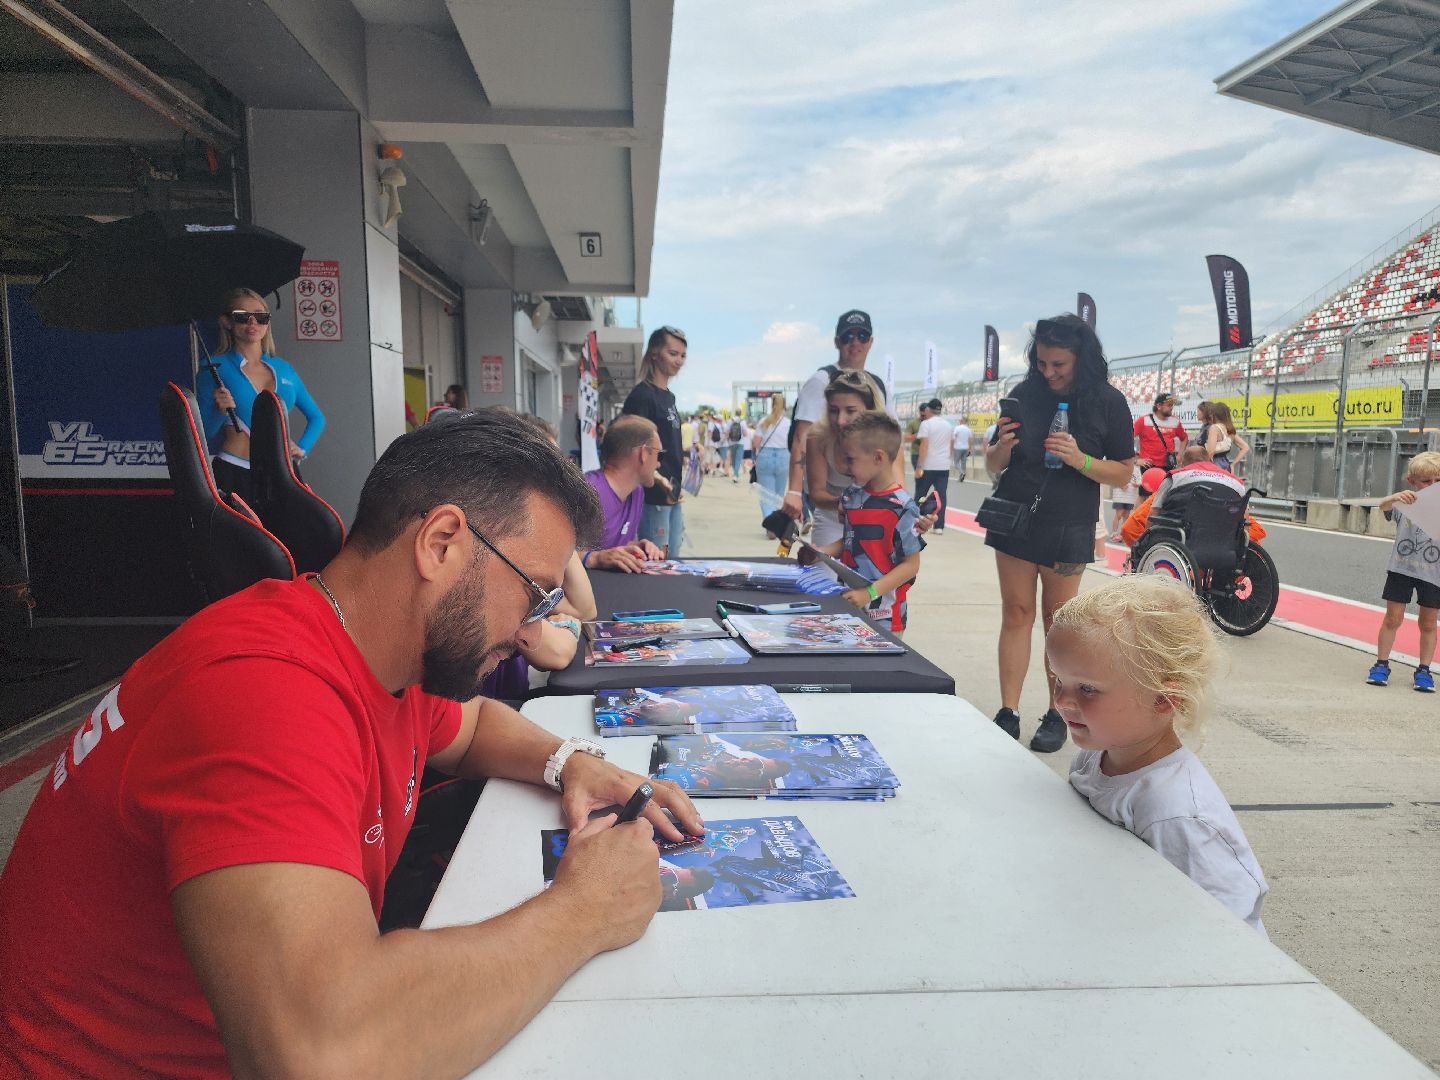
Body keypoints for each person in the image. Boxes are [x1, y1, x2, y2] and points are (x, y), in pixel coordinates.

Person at [0, 409, 705, 1078]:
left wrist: (570, 762)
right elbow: (321, 1055)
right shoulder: (265, 696)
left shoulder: (379, 652)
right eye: (533, 594)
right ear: (440, 544)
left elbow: (474, 729)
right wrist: (583, 910)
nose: (530, 631)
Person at [1050, 575, 1268, 933]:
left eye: (1087, 689)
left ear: (1164, 699)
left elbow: (1229, 925)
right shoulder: (1097, 756)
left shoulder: (1177, 814)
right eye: (1059, 680)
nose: (1061, 701)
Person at [984, 314, 1136, 754]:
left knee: (1059, 622)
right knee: (1015, 613)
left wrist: (1080, 460)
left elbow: (1124, 470)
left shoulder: (1108, 402)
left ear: (1080, 360)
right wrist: (1002, 448)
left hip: (1069, 519)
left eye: (1059, 365)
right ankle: (1008, 710)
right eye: (1042, 362)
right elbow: (995, 466)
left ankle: (1056, 711)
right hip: (1015, 513)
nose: (1048, 372)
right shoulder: (1023, 395)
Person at [199, 287, 326, 503]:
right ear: (226, 322)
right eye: (242, 316)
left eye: (260, 316)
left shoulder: (284, 369)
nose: (252, 323)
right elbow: (203, 434)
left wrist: (302, 448)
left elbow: (317, 417)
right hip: (234, 469)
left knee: (288, 535)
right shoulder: (213, 367)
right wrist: (220, 412)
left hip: (283, 471)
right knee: (241, 537)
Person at [805, 411, 925, 637]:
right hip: (849, 608)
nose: (844, 467)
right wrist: (820, 553)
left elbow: (911, 565)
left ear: (878, 458)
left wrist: (870, 593)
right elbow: (851, 541)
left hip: (886, 617)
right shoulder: (852, 496)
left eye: (851, 459)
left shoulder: (903, 507)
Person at [782, 309, 900, 521]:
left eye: (862, 336)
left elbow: (894, 445)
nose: (855, 343)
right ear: (837, 342)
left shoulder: (879, 386)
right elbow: (802, 435)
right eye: (848, 337)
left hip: (872, 500)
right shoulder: (820, 381)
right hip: (832, 498)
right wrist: (794, 491)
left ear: (871, 342)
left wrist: (901, 498)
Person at [1367, 451, 1440, 691]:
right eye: (1426, 481)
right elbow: (1383, 505)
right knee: (1392, 618)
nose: (1432, 486)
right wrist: (1395, 496)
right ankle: (1381, 664)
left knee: (1429, 623)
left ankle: (1424, 669)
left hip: (1434, 572)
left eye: (1437, 481)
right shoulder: (1404, 502)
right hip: (1401, 568)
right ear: (1413, 481)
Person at [804, 370, 892, 548]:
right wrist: (844, 503)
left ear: (869, 411)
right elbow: (817, 493)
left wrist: (916, 516)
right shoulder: (818, 436)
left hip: (873, 520)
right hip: (831, 518)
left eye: (850, 411)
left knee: (871, 575)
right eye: (833, 411)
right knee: (822, 573)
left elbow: (896, 489)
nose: (840, 420)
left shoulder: (887, 437)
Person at [622, 326, 687, 557]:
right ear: (654, 353)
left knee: (673, 559)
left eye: (682, 355)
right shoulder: (642, 396)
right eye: (673, 353)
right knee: (656, 561)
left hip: (673, 492)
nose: (679, 360)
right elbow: (631, 448)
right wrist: (657, 478)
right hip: (651, 495)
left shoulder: (669, 397)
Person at [582, 415, 666, 573]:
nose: (659, 463)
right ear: (643, 453)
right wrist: (594, 558)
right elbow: (547, 553)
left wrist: (634, 547)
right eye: (659, 454)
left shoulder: (636, 492)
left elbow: (609, 546)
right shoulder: (586, 493)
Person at [752, 393, 791, 532]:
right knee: (779, 494)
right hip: (783, 456)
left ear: (772, 404)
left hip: (765, 456)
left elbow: (755, 442)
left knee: (766, 494)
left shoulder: (764, 421)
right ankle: (776, 524)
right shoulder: (788, 423)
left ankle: (770, 525)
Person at [913, 397, 952, 535]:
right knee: (941, 496)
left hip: (929, 465)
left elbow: (924, 445)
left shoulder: (926, 424)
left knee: (920, 494)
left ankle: (914, 521)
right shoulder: (948, 425)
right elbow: (950, 445)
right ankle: (939, 526)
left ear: (928, 410)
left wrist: (919, 466)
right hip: (943, 466)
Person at [1134, 391, 1186, 471]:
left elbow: (1184, 438)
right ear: (1159, 406)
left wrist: (1180, 455)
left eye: (1172, 405)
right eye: (1169, 405)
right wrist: (1136, 460)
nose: (1171, 407)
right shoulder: (1143, 420)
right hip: (1149, 466)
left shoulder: (1175, 421)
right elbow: (1125, 439)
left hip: (1169, 465)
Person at [1193, 401, 1248, 474]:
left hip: (1213, 467)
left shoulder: (1214, 428)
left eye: (1212, 414)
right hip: (1225, 465)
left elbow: (1210, 453)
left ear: (1215, 415)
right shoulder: (1229, 429)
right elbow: (1245, 447)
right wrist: (1233, 465)